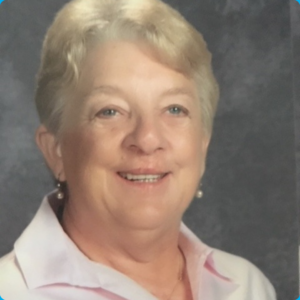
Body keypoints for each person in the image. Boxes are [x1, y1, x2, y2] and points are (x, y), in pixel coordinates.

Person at [0, 0, 276, 299]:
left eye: (174, 109)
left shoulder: (248, 286)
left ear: (202, 143)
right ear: (56, 151)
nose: (147, 139)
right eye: (110, 111)